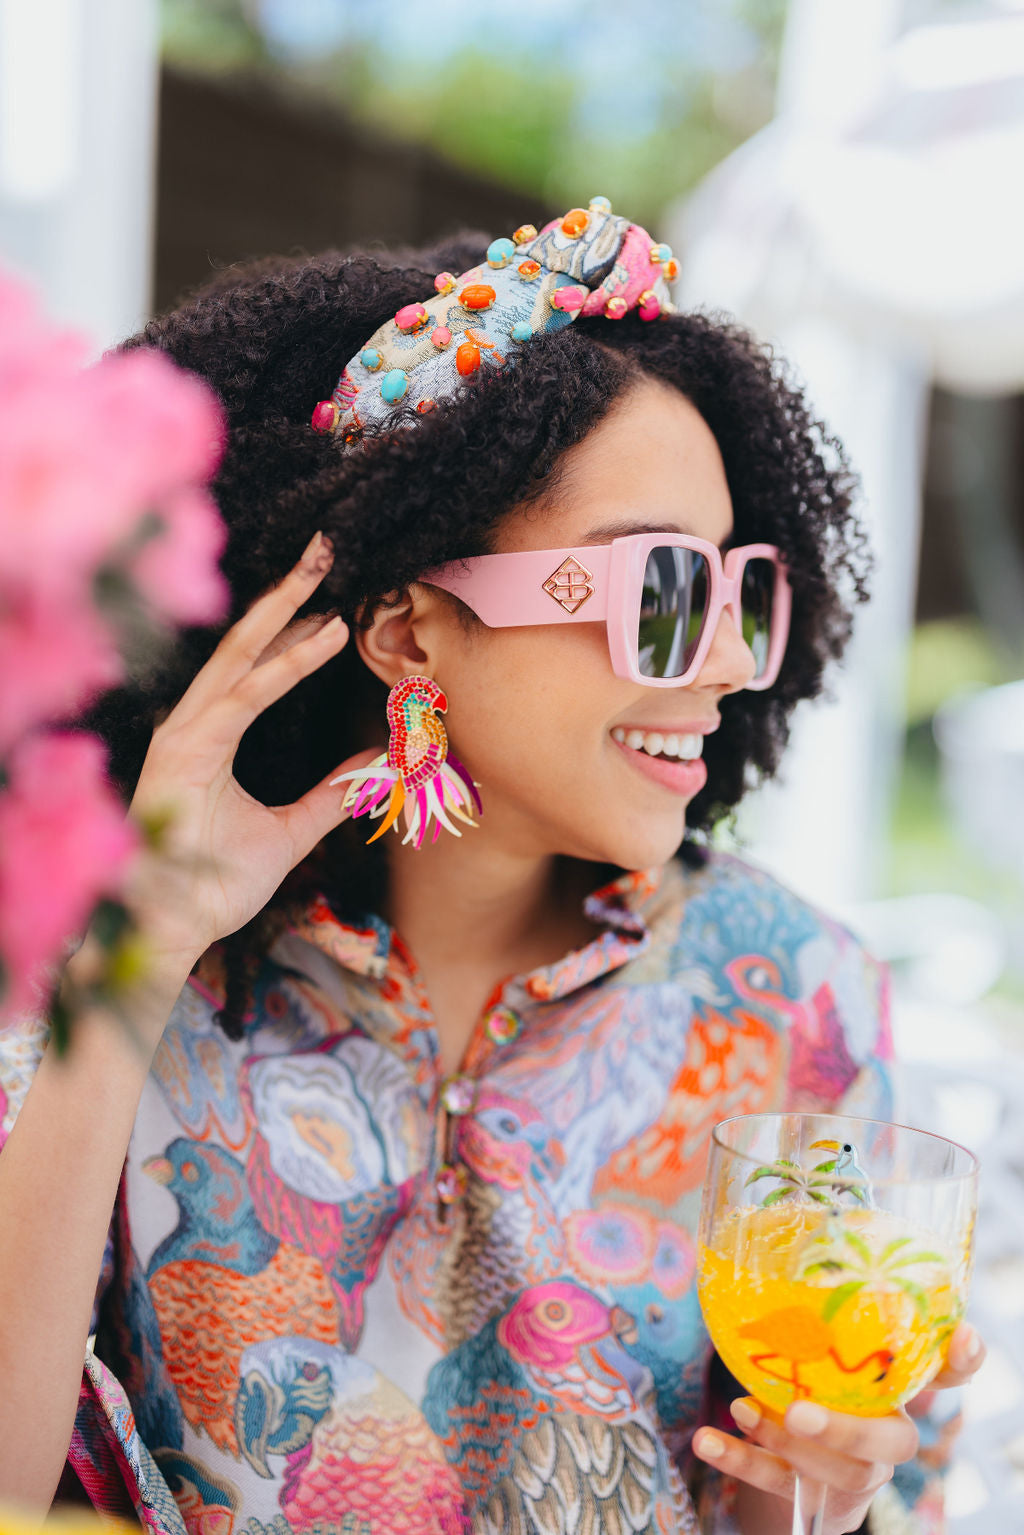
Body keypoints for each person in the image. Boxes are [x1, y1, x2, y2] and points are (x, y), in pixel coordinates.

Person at [0, 202, 983, 1535]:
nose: (735, 661)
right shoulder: (110, 965)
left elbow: (846, 1490)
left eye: (743, 587)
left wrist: (807, 1496)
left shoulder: (799, 995)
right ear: (408, 634)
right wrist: (142, 951)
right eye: (664, 590)